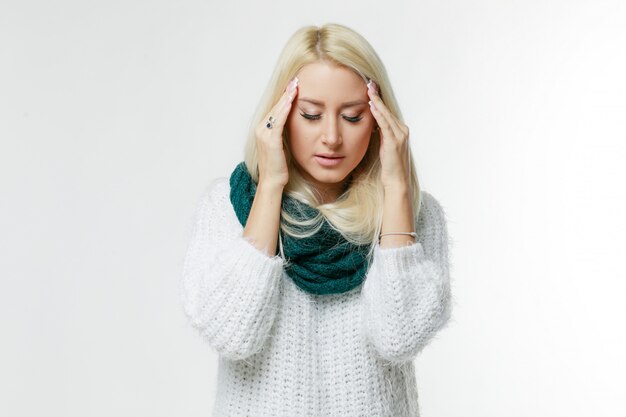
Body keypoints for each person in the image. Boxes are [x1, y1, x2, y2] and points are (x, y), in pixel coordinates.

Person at [180, 22, 454, 417]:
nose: (331, 137)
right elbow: (231, 332)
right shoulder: (225, 207)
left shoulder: (417, 217)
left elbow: (399, 337)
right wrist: (272, 184)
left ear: (379, 121)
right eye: (310, 115)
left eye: (353, 117)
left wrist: (396, 188)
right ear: (282, 114)